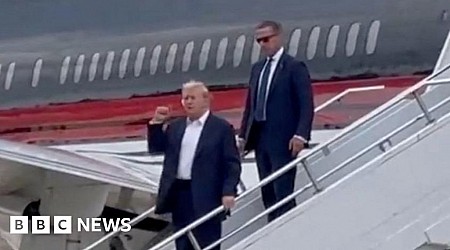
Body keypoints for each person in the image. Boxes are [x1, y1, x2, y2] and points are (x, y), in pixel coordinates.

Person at [148, 81, 242, 250]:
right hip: (180, 194)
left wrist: (228, 191)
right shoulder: (176, 126)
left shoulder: (221, 128)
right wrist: (156, 124)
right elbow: (156, 148)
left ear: (206, 100)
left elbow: (232, 163)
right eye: (185, 98)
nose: (188, 102)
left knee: (207, 243)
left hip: (207, 195)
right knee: (183, 243)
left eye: (192, 98)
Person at [238, 20, 314, 222]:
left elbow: (306, 104)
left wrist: (301, 134)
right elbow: (251, 105)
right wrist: (243, 136)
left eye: (266, 39)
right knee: (268, 191)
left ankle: (288, 229)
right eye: (259, 41)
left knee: (283, 190)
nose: (263, 44)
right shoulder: (258, 69)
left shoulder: (293, 67)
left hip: (283, 139)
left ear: (279, 38)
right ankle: (273, 227)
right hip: (260, 138)